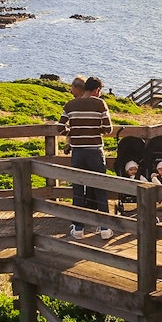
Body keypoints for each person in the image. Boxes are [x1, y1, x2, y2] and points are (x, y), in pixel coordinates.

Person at [57, 76, 114, 240]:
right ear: (96, 90)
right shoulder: (100, 103)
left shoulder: (70, 105)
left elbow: (60, 128)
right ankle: (104, 228)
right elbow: (108, 129)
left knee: (78, 189)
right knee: (100, 188)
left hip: (78, 153)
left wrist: (74, 132)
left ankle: (78, 228)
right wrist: (96, 130)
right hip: (95, 151)